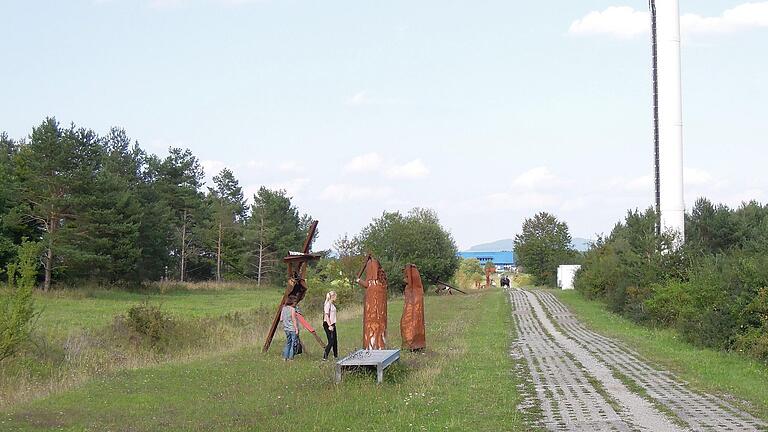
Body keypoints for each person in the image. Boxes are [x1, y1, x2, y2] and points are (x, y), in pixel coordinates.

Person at [281, 297, 299, 361]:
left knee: (288, 343)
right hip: (292, 329)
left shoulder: (283, 308)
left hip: (286, 329)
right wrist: (296, 329)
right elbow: (294, 320)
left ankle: (285, 357)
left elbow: (281, 319)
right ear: (291, 302)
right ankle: (290, 358)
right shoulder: (292, 309)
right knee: (293, 344)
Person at [322, 291, 338, 360]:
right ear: (333, 296)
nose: (336, 297)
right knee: (331, 341)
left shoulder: (332, 304)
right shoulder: (327, 304)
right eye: (335, 296)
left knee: (335, 341)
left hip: (333, 324)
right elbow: (326, 315)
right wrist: (329, 325)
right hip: (328, 324)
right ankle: (325, 357)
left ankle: (336, 356)